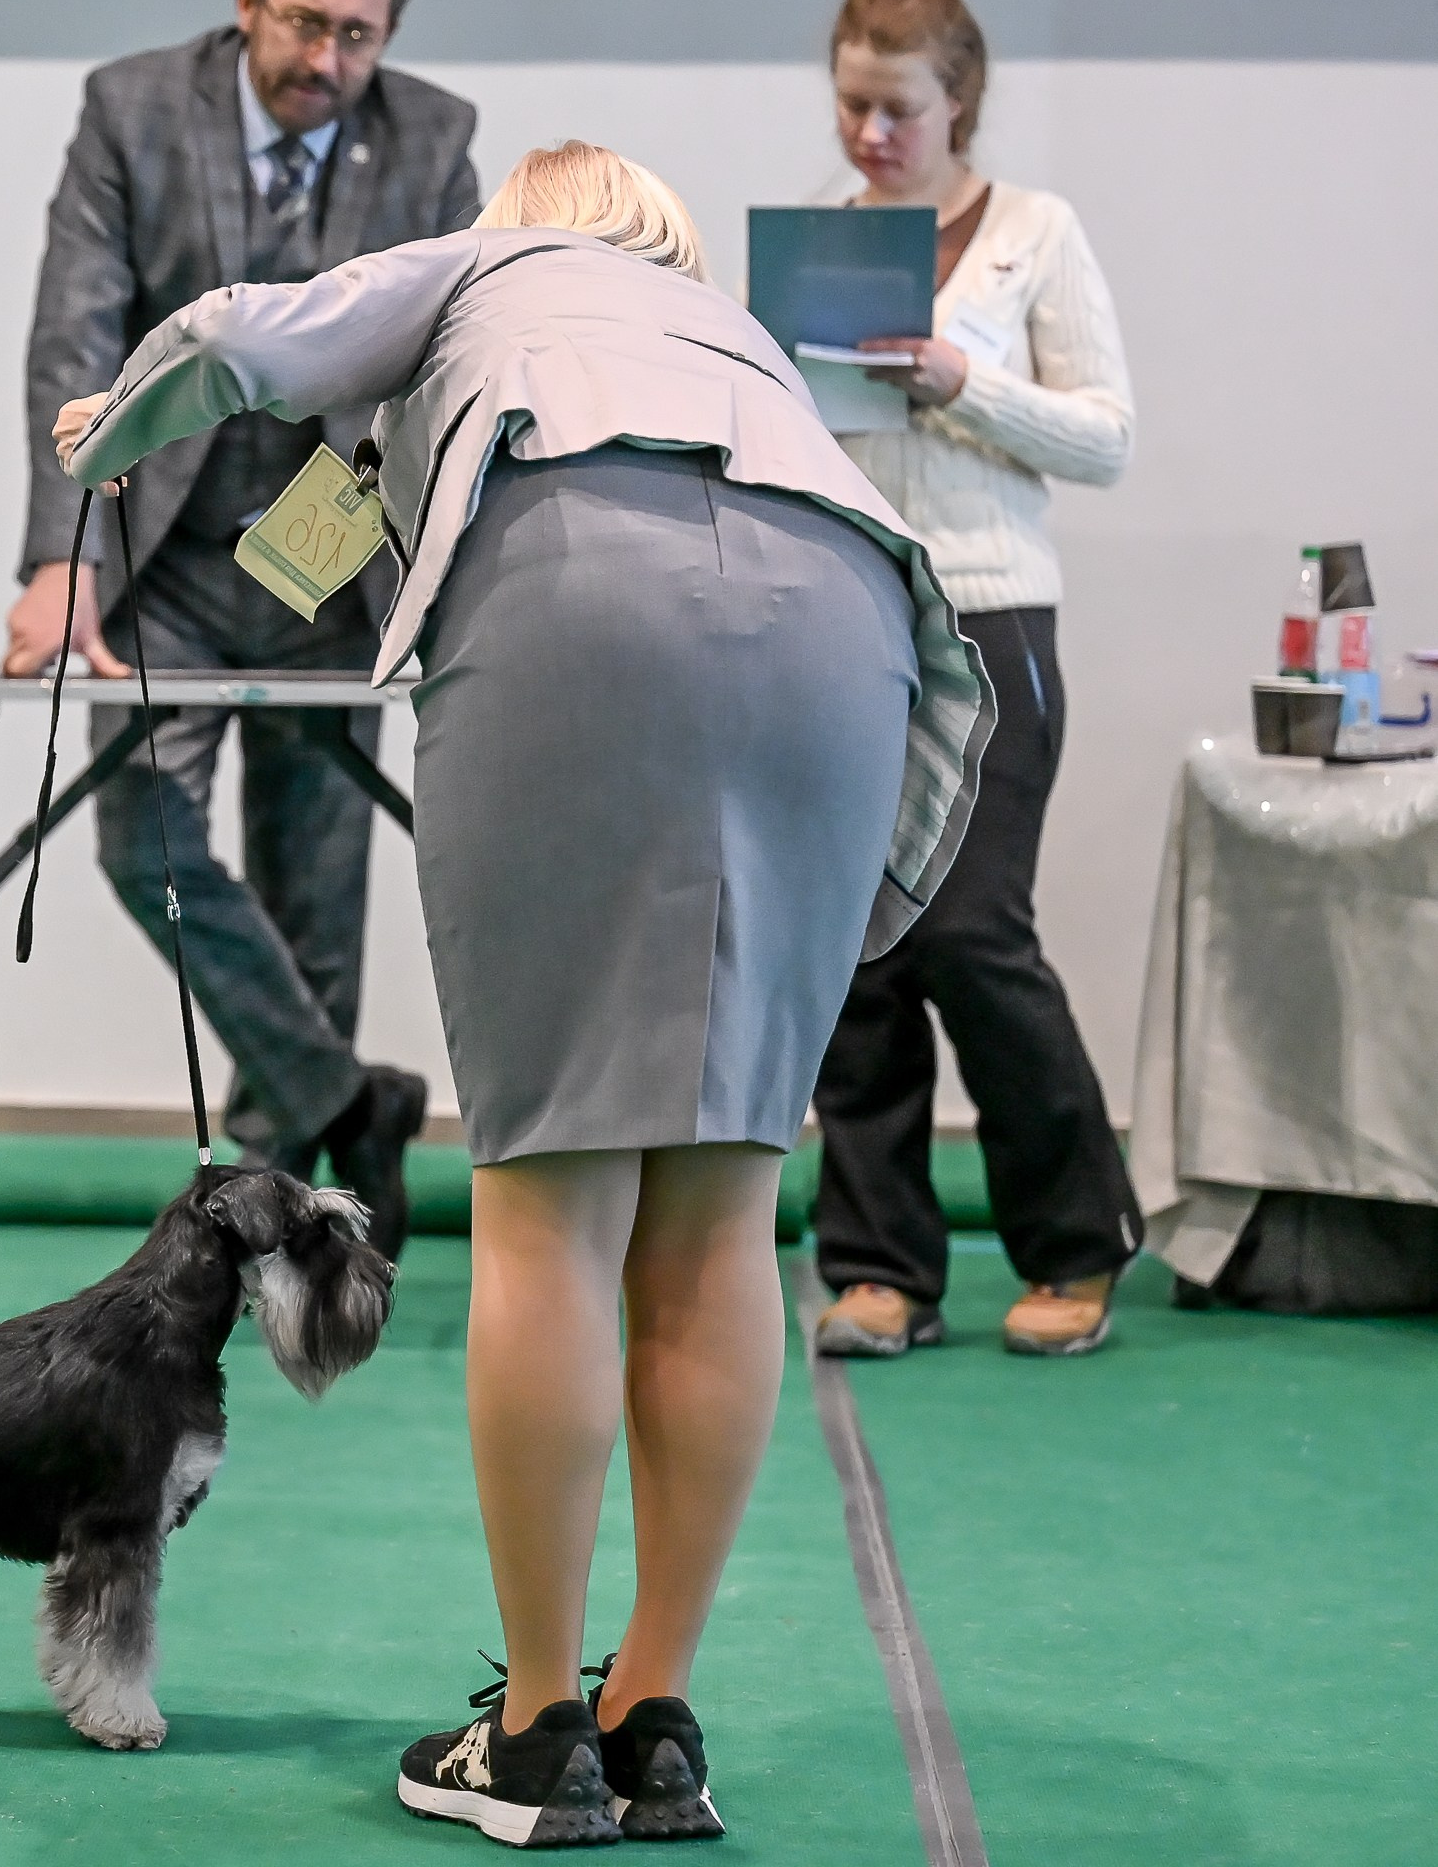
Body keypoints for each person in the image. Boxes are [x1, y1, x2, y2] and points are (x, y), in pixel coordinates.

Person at [50, 145, 989, 1847]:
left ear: (530, 219)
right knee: (724, 1201)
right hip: (851, 627)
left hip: (579, 599)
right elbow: (332, 522)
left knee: (552, 1198)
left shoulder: (488, 273)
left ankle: (540, 1731)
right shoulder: (731, 334)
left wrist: (111, 425)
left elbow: (249, 334)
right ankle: (656, 1718)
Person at [4, 0, 481, 1256]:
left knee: (314, 889)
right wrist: (63, 559)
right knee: (135, 835)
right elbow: (74, 344)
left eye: (357, 34)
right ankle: (349, 1097)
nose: (325, 57)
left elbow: (438, 368)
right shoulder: (130, 112)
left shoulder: (436, 140)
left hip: (328, 564)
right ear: (246, 2)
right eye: (303, 22)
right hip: (163, 554)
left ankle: (282, 1231)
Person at [810, 0, 1142, 1361]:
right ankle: (882, 1268)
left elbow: (1108, 438)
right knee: (855, 953)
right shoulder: (819, 244)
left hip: (994, 620)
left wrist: (963, 383)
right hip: (848, 619)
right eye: (851, 104)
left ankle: (1075, 1244)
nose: (872, 134)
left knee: (972, 935)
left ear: (960, 104)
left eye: (898, 109)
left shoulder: (1036, 236)